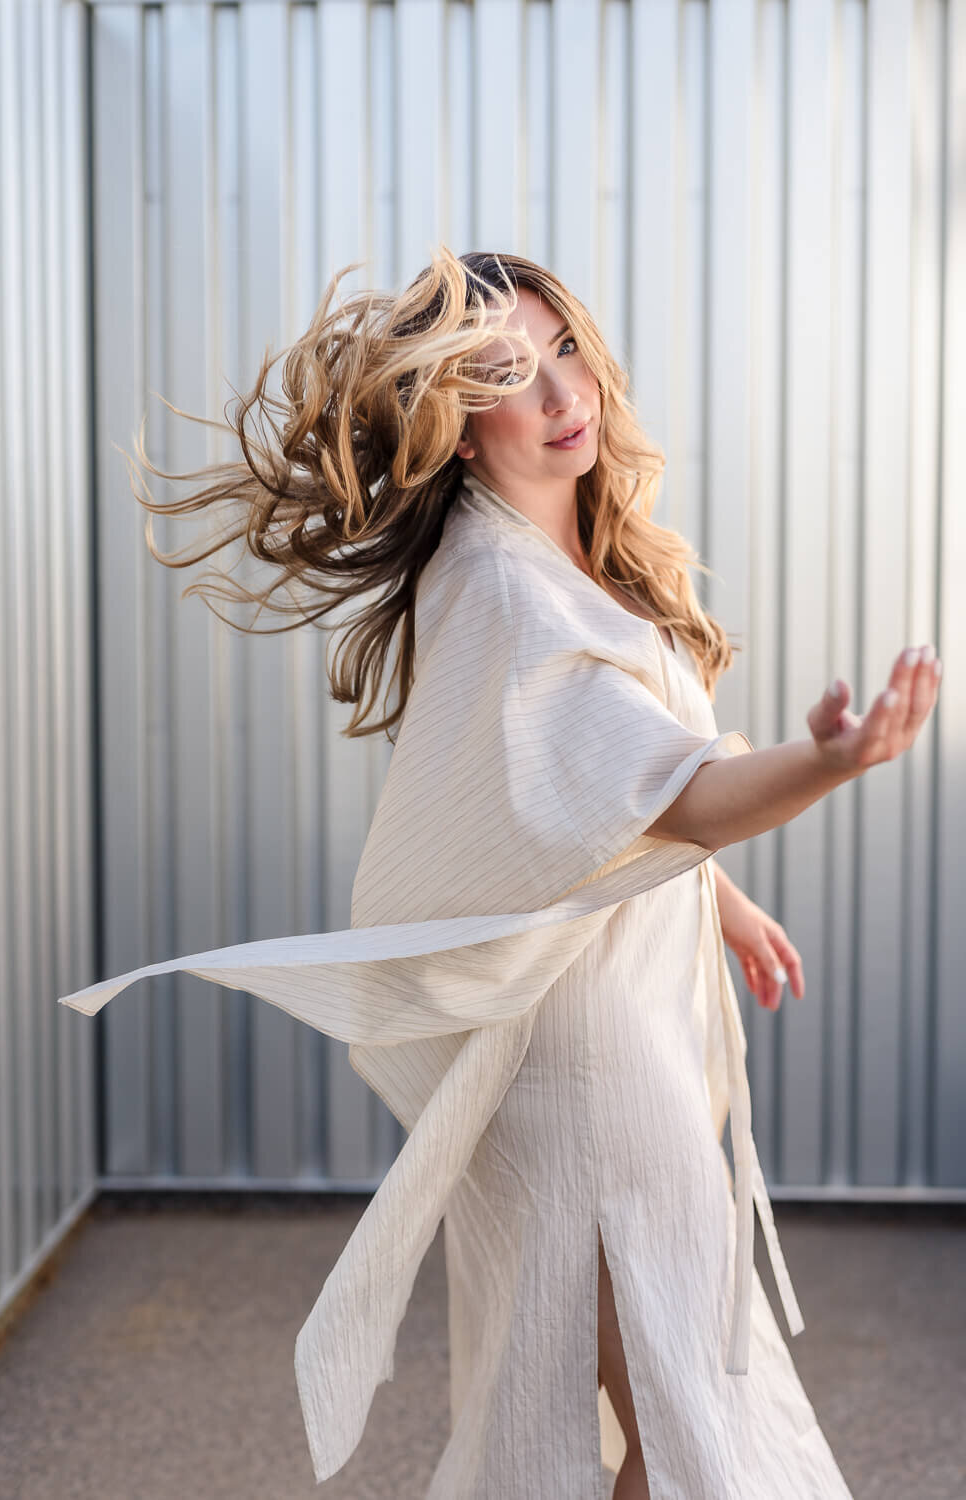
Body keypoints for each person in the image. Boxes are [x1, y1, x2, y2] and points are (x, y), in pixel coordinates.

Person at [60, 247, 941, 1498]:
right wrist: (832, 760)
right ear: (458, 430)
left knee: (662, 1417)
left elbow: (600, 807)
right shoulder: (502, 592)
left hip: (621, 1044)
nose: (559, 393)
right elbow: (674, 791)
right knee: (683, 1424)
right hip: (592, 1082)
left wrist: (721, 899)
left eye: (561, 349)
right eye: (505, 376)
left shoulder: (575, 560)